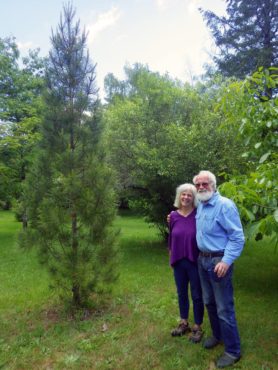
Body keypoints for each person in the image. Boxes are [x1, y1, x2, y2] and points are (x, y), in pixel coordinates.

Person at [193, 170, 245, 368]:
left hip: (218, 262)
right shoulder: (202, 206)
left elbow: (237, 237)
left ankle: (233, 351)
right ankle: (218, 335)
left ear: (213, 185)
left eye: (204, 184)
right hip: (202, 261)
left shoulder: (225, 206)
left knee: (224, 307)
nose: (200, 187)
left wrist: (226, 260)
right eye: (198, 185)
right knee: (209, 302)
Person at [168, 183, 204, 343]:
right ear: (179, 196)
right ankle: (184, 323)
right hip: (178, 262)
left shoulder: (198, 215)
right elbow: (171, 238)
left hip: (194, 261)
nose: (186, 197)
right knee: (181, 293)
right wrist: (171, 255)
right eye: (183, 194)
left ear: (193, 198)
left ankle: (197, 326)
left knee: (197, 294)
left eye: (189, 195)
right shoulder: (173, 216)